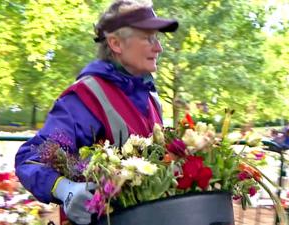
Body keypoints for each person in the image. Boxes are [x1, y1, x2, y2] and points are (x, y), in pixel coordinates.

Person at [14, 1, 178, 224]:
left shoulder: (151, 97)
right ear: (116, 43)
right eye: (149, 38)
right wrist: (65, 189)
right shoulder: (86, 97)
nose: (159, 47)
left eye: (158, 38)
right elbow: (30, 158)